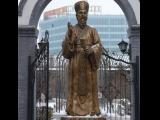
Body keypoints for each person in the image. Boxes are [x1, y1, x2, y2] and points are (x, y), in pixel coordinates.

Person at [62, 1, 102, 116]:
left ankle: (92, 109)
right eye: (80, 13)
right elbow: (65, 52)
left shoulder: (92, 31)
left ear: (87, 14)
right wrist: (70, 39)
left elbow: (99, 45)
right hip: (75, 63)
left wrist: (92, 50)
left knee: (90, 86)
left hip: (89, 64)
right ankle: (73, 109)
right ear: (76, 15)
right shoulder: (71, 30)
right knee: (74, 87)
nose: (83, 15)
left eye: (85, 13)